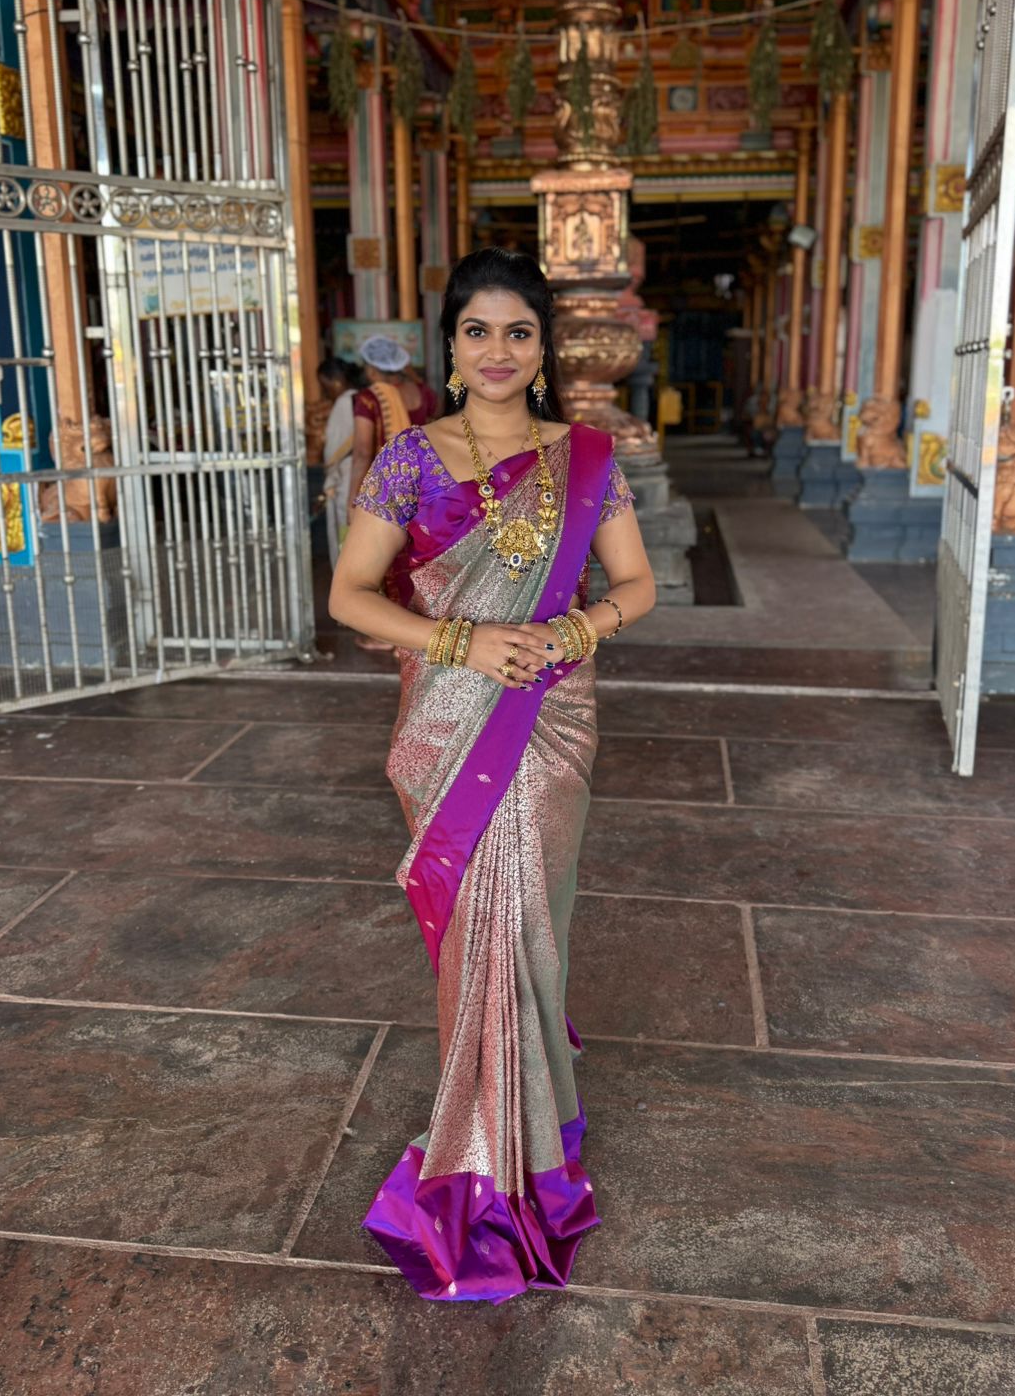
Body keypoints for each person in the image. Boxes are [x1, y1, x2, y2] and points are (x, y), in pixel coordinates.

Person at [328, 247, 656, 1302]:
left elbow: (636, 583)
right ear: (452, 346)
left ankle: (533, 1143)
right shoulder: (409, 460)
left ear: (543, 347)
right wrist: (461, 643)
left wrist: (575, 629)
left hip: (550, 720)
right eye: (479, 331)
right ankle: (487, 1160)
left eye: (520, 331)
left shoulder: (587, 457)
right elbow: (349, 594)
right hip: (451, 720)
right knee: (484, 933)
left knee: (532, 928)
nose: (499, 350)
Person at [345, 332, 439, 510]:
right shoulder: (424, 392)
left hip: (386, 494)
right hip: (425, 488)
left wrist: (352, 500)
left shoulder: (368, 398)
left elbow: (362, 453)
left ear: (371, 370)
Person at [319, 354, 359, 567]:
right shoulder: (362, 397)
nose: (325, 392)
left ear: (334, 381)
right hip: (360, 473)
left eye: (324, 386)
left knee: (343, 531)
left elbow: (333, 448)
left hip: (344, 474)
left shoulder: (344, 403)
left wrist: (329, 479)